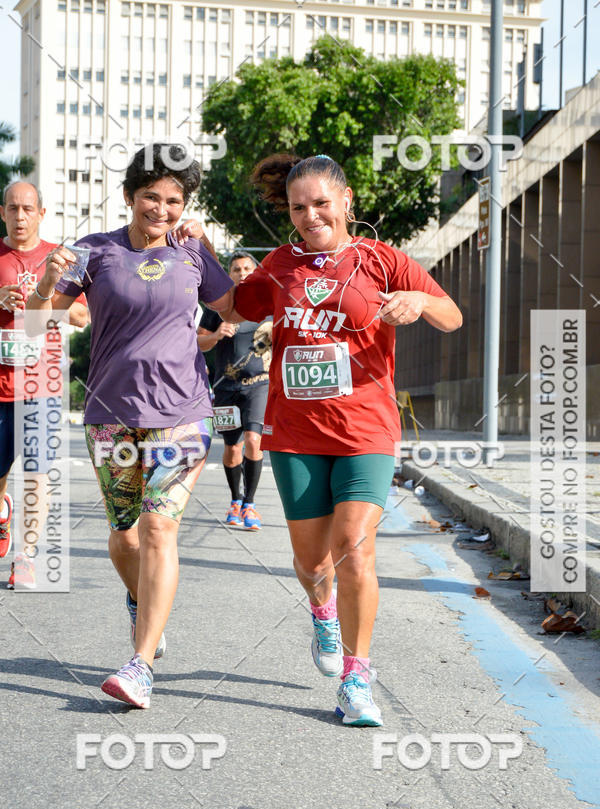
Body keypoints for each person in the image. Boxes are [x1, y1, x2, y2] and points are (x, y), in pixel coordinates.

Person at [215, 154, 462, 727]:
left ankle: (357, 676)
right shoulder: (278, 266)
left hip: (366, 429)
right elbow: (229, 307)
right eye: (299, 207)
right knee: (311, 559)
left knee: (355, 545)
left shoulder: (382, 259)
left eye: (321, 203)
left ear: (346, 201)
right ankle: (321, 610)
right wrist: (192, 253)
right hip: (297, 432)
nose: (310, 215)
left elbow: (451, 315)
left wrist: (419, 302)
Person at [26, 144, 233, 709]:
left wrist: (209, 247)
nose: (162, 209)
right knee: (124, 537)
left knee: (160, 528)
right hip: (111, 418)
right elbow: (35, 325)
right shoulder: (94, 252)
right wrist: (47, 282)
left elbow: (235, 308)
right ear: (129, 197)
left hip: (183, 415)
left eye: (173, 200)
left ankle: (140, 666)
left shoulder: (191, 253)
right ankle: (144, 606)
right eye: (151, 197)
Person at [0, 182, 88, 589]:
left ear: (41, 213)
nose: (20, 217)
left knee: (37, 474)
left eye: (28, 209)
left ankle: (26, 557)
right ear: (3, 212)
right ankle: (4, 513)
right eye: (13, 208)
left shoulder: (60, 259)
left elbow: (82, 317)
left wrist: (41, 300)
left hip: (42, 388)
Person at [197, 251, 272, 530]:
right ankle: (235, 500)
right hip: (225, 388)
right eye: (236, 269)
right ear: (229, 275)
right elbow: (198, 342)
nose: (242, 273)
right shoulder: (219, 306)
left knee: (254, 439)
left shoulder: (268, 303)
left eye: (247, 268)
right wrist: (216, 336)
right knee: (232, 448)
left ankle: (250, 504)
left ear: (256, 272)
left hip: (259, 385)